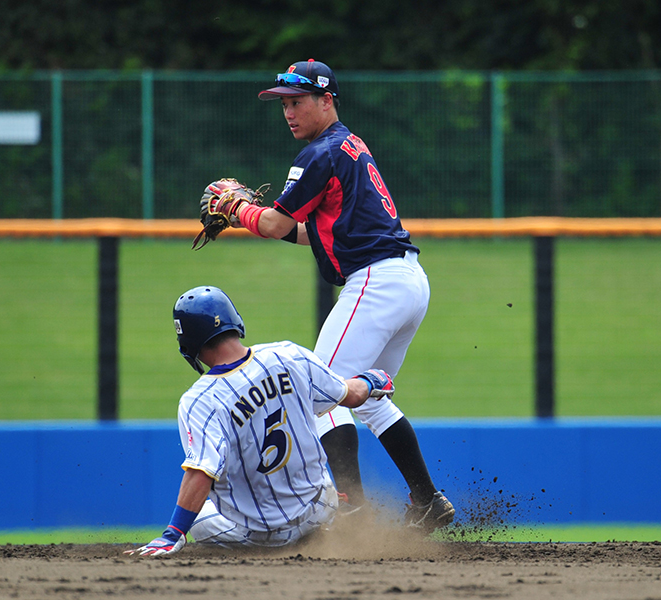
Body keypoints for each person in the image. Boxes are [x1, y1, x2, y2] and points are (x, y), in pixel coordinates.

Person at [201, 59, 455, 531]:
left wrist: (239, 208)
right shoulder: (349, 146)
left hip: (375, 284)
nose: (289, 112)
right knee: (370, 398)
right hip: (406, 282)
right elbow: (311, 233)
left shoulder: (320, 153)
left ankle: (352, 509)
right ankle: (427, 500)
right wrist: (251, 214)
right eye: (284, 104)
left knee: (321, 394)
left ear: (326, 100)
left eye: (298, 101)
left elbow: (276, 223)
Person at [126, 285, 396, 556]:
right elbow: (348, 394)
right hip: (317, 511)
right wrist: (370, 380)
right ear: (234, 320)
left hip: (264, 535)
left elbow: (201, 472)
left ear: (189, 343)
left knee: (199, 519)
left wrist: (173, 532)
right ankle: (337, 514)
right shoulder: (289, 355)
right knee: (325, 422)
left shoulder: (199, 400)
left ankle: (290, 534)